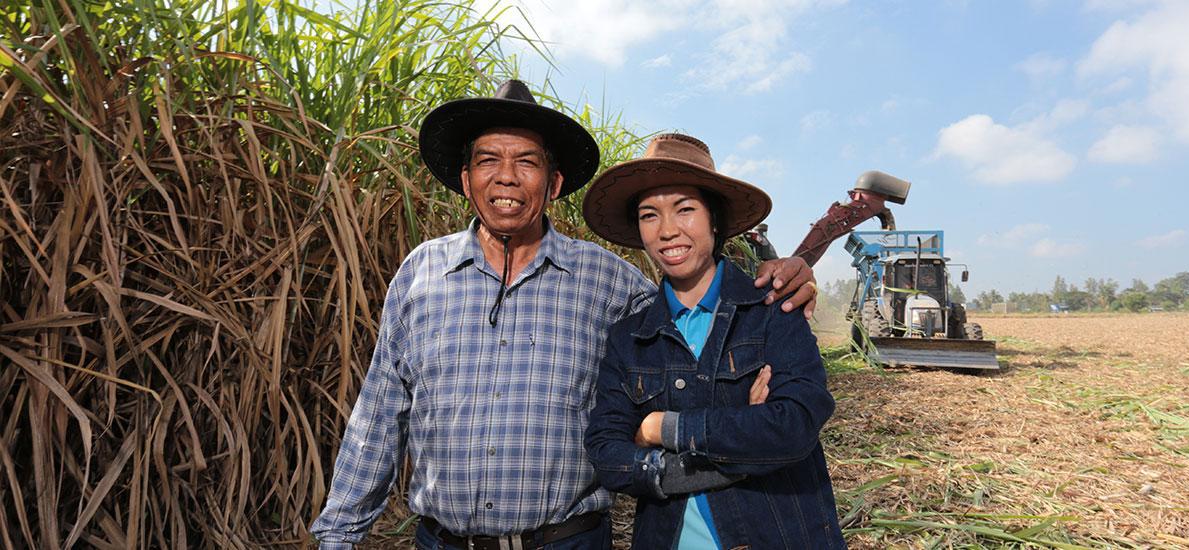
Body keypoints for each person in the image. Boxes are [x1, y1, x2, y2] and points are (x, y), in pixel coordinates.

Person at [310, 81, 819, 549]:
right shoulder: (420, 274)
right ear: (467, 181)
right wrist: (337, 536)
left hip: (568, 540)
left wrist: (787, 278)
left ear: (553, 184)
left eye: (526, 161)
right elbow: (378, 414)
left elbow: (695, 320)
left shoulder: (608, 282)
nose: (506, 175)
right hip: (443, 540)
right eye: (488, 159)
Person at [582, 133, 847, 549]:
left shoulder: (773, 311)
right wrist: (743, 446)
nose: (667, 230)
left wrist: (659, 428)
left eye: (685, 209)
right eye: (649, 215)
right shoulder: (629, 336)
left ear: (715, 220)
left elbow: (794, 426)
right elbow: (606, 452)